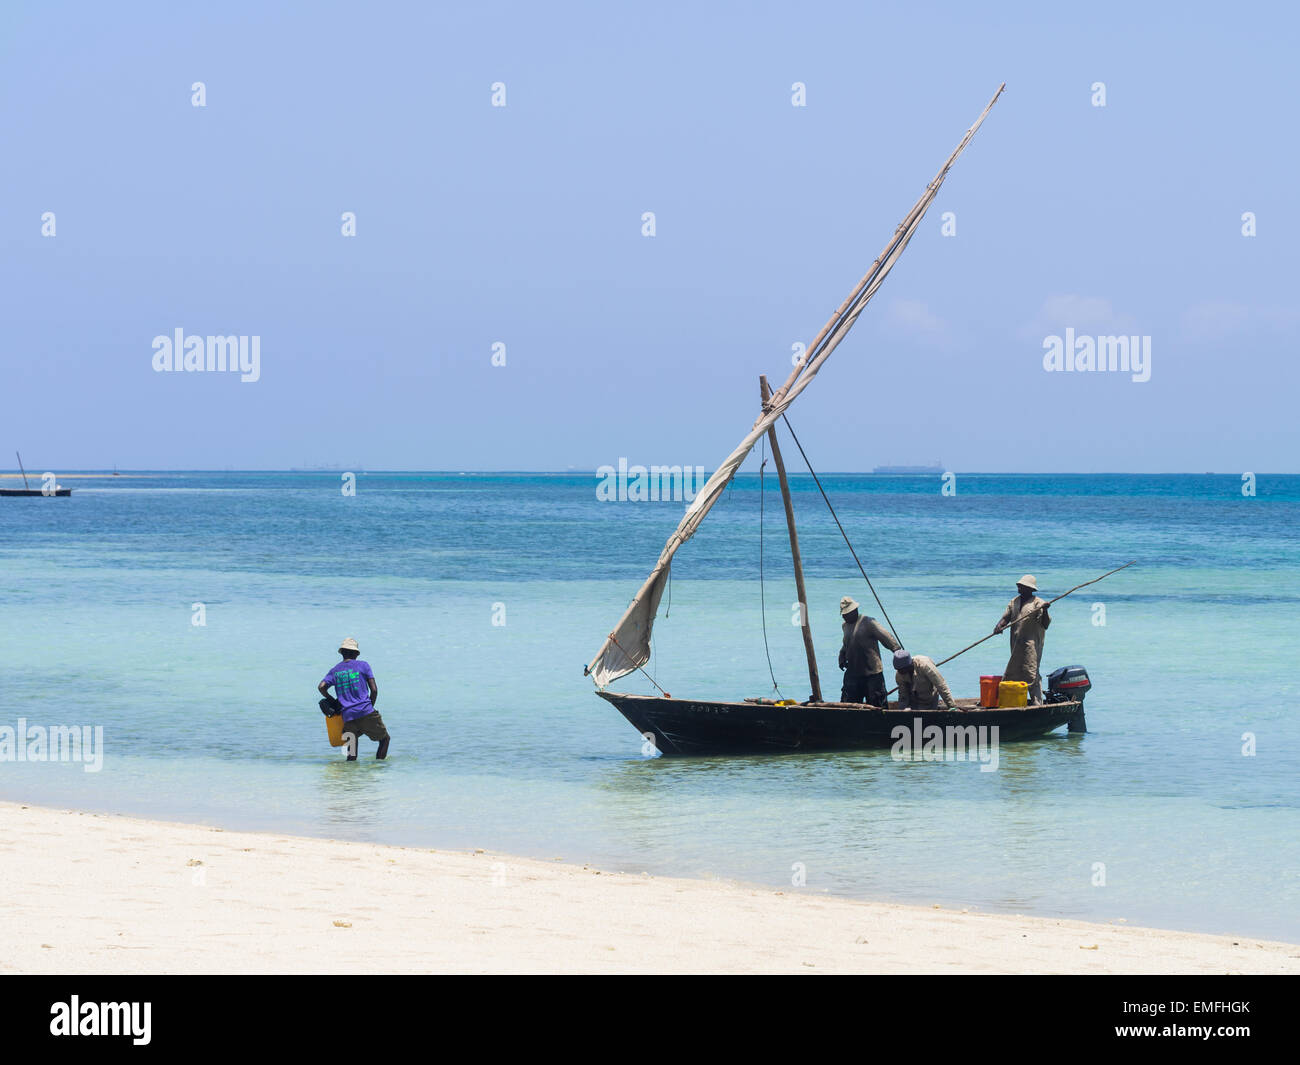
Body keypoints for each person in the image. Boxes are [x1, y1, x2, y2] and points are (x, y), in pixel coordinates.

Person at [318, 637, 390, 760]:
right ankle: (379, 770)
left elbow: (321, 687)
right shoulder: (363, 665)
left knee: (351, 755)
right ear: (356, 653)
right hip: (366, 712)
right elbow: (374, 690)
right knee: (384, 739)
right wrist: (369, 708)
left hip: (347, 717)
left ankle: (350, 777)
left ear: (342, 653)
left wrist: (333, 701)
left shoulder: (335, 670)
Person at [993, 574, 1051, 704]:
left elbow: (1045, 624)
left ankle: (1037, 703)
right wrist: (998, 626)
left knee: (1031, 673)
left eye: (1022, 586)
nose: (1019, 587)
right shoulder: (1014, 602)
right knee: (1013, 671)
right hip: (1016, 644)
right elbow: (1005, 618)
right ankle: (1013, 701)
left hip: (1031, 645)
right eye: (1019, 585)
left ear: (1029, 589)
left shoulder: (1038, 603)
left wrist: (1045, 611)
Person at [837, 596, 900, 706]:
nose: (844, 617)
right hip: (853, 672)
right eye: (844, 615)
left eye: (847, 614)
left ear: (855, 611)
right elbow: (846, 644)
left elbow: (886, 637)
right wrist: (841, 656)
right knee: (848, 705)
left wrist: (898, 652)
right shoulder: (845, 626)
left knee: (877, 704)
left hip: (872, 673)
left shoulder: (868, 622)